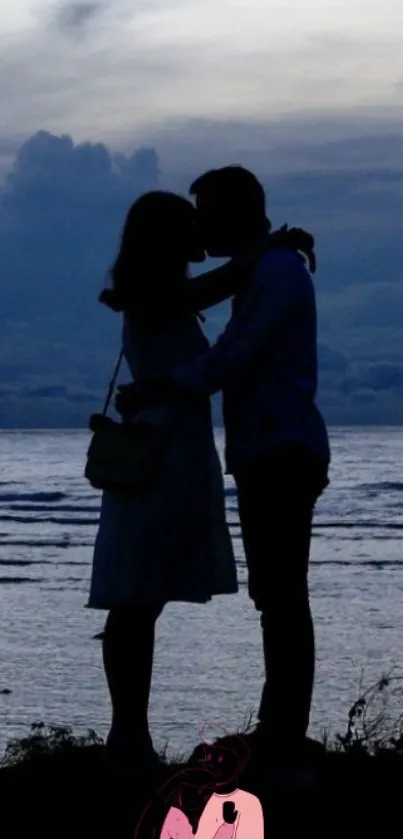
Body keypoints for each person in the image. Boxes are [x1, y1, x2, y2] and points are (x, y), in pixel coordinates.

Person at [116, 166, 331, 762]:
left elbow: (232, 356)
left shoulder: (274, 272)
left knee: (281, 594)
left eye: (207, 212)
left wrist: (158, 388)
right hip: (259, 450)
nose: (201, 225)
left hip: (278, 449)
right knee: (276, 593)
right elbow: (213, 325)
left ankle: (281, 733)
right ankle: (277, 731)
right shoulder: (257, 270)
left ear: (234, 212)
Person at [87, 191, 238, 773]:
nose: (202, 228)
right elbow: (211, 289)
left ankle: (129, 737)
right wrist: (261, 252)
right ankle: (127, 737)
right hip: (159, 459)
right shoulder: (159, 298)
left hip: (164, 452)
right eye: (190, 223)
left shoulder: (158, 297)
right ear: (169, 237)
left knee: (138, 599)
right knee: (136, 598)